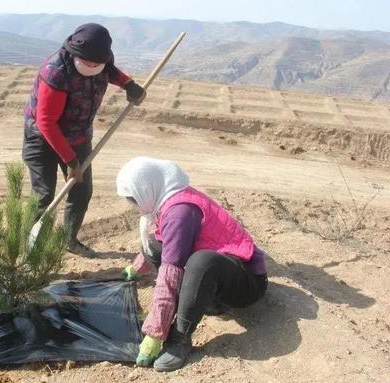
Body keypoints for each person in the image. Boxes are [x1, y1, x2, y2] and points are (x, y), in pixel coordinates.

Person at [116, 157, 268, 372]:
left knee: (201, 262)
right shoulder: (168, 198)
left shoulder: (180, 212)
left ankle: (181, 338)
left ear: (148, 188)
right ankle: (199, 301)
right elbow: (161, 243)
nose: (134, 204)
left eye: (134, 198)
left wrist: (155, 333)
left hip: (246, 282)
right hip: (222, 273)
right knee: (155, 245)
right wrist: (135, 269)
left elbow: (170, 275)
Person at [22, 23, 147, 256]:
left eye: (96, 64)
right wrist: (71, 161)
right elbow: (46, 121)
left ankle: (68, 240)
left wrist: (129, 85)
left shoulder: (102, 60)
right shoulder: (56, 73)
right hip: (42, 138)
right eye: (87, 63)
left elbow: (111, 71)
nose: (92, 67)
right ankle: (34, 249)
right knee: (44, 195)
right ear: (75, 53)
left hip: (78, 136)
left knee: (82, 190)